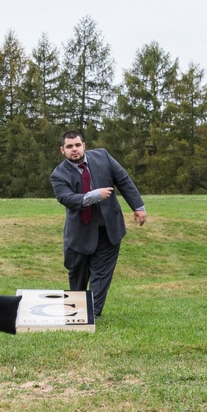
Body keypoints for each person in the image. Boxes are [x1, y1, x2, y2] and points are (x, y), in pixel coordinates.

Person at [50, 131, 146, 319]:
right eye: (69, 147)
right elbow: (66, 198)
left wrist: (138, 206)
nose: (74, 150)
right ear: (63, 150)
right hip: (79, 233)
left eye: (77, 145)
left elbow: (123, 180)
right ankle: (75, 312)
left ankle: (91, 315)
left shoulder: (103, 156)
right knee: (77, 275)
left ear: (84, 145)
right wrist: (94, 195)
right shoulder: (58, 174)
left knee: (101, 275)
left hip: (108, 229)